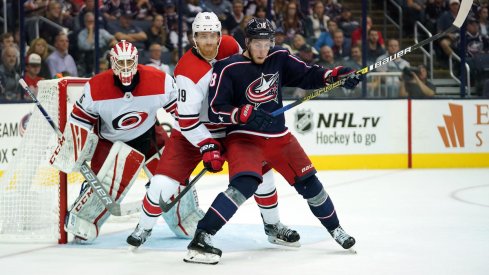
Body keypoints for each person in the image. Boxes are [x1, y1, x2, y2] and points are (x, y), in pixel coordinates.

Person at [184, 17, 359, 265]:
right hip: (244, 138)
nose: (262, 49)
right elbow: (215, 109)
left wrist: (335, 75)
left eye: (267, 43)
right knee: (243, 185)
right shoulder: (227, 67)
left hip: (279, 136)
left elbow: (307, 75)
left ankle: (336, 229)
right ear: (247, 42)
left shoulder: (279, 57)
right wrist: (239, 113)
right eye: (257, 43)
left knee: (311, 185)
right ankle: (202, 236)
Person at [126, 12, 300, 249]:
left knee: (263, 176)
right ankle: (143, 228)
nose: (208, 41)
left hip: (231, 128)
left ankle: (273, 226)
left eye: (212, 35)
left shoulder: (231, 45)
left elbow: (250, 71)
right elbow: (186, 120)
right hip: (193, 133)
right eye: (202, 36)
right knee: (161, 185)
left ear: (220, 36)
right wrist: (207, 145)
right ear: (193, 38)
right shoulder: (186, 71)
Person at [49, 40, 177, 242]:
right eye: (120, 63)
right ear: (112, 62)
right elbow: (80, 120)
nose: (125, 68)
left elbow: (182, 113)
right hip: (109, 143)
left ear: (136, 61)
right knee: (104, 187)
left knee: (172, 180)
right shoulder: (96, 87)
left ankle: (183, 217)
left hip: (149, 137)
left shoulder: (160, 80)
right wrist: (71, 147)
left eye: (129, 63)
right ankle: (84, 218)